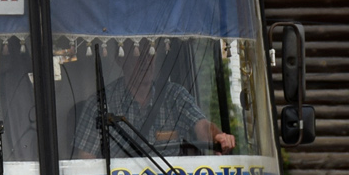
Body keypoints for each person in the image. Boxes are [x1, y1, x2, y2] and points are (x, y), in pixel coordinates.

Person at [71, 40, 235, 158]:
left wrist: (218, 137)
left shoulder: (175, 96)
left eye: (150, 53)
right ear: (120, 59)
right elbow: (86, 161)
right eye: (137, 54)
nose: (145, 61)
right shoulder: (100, 104)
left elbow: (203, 127)